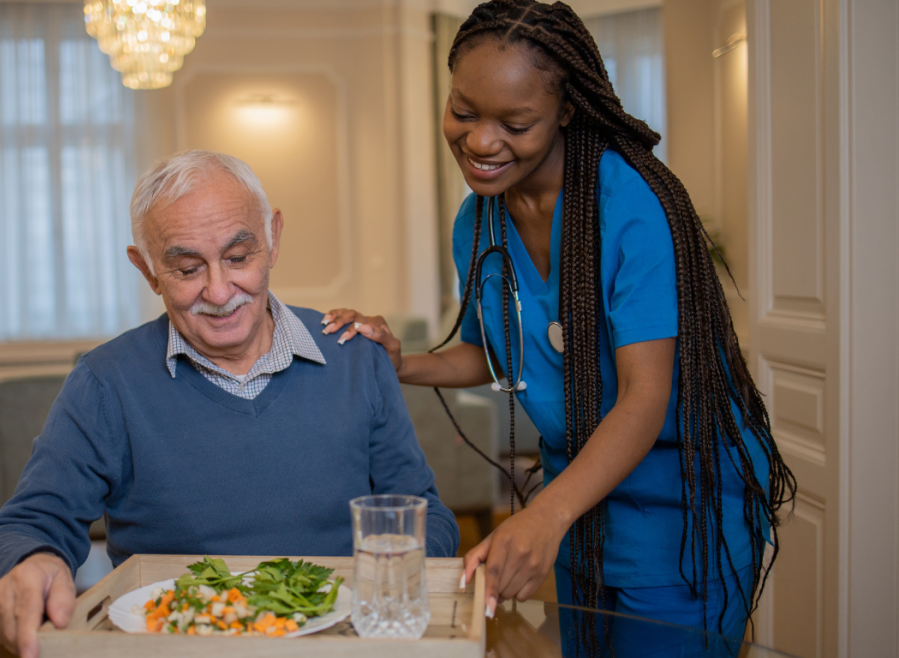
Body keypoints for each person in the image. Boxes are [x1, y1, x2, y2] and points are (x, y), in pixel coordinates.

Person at [324, 1, 795, 654]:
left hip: (680, 514)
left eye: (516, 123)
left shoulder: (632, 207)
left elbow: (644, 395)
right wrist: (402, 362)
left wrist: (544, 514)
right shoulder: (479, 221)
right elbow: (500, 354)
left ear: (566, 110)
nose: (482, 141)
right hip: (582, 513)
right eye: (463, 111)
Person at [0, 150, 459, 658]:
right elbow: (25, 525)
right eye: (186, 268)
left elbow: (427, 516)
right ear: (147, 270)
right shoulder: (104, 382)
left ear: (272, 239)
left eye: (238, 257)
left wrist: (394, 582)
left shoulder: (357, 358)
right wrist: (28, 563)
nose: (220, 290)